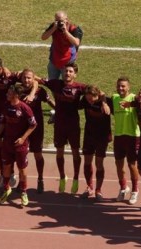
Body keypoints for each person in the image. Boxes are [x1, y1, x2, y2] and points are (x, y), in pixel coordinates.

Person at [39, 62, 108, 194]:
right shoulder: (55, 83)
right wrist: (22, 74)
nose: (67, 73)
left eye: (70, 71)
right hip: (59, 124)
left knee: (75, 153)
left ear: (75, 74)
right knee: (59, 152)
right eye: (65, 71)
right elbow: (38, 80)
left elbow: (100, 92)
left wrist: (104, 103)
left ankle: (76, 178)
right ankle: (62, 177)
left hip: (73, 125)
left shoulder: (80, 87)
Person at [0, 56, 36, 188]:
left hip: (10, 115)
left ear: (0, 68)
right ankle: (4, 173)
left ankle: (15, 176)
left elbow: (34, 80)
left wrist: (33, 93)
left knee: (12, 145)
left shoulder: (11, 76)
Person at [0, 85, 37, 206]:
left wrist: (23, 138)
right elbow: (2, 122)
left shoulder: (25, 108)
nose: (7, 94)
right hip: (7, 143)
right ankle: (6, 188)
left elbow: (33, 125)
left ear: (16, 95)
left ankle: (23, 191)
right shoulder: (6, 106)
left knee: (22, 169)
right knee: (6, 167)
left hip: (20, 145)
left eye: (9, 92)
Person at [18, 69, 55, 193]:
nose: (27, 80)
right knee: (21, 155)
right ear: (21, 78)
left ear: (34, 79)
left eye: (29, 78)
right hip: (22, 128)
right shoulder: (18, 91)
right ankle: (21, 181)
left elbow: (50, 102)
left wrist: (60, 110)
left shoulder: (40, 91)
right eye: (24, 78)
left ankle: (40, 179)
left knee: (38, 154)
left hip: (37, 128)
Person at [109, 77, 140, 204]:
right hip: (119, 135)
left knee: (132, 165)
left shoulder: (134, 98)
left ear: (129, 87)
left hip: (132, 136)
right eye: (119, 86)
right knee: (118, 164)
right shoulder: (114, 98)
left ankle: (135, 191)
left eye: (123, 86)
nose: (120, 88)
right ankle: (123, 187)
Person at [79, 85, 111, 201]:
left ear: (97, 95)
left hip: (102, 137)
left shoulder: (106, 101)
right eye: (87, 98)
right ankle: (89, 187)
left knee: (99, 163)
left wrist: (104, 102)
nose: (89, 101)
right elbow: (76, 104)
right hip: (89, 136)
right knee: (87, 162)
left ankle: (98, 190)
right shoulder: (85, 101)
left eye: (91, 98)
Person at [41, 10, 83, 80]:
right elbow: (43, 37)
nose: (59, 23)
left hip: (68, 61)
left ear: (67, 20)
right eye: (57, 20)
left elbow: (76, 43)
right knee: (53, 83)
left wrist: (65, 31)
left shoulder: (73, 29)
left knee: (66, 83)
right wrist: (53, 28)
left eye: (61, 21)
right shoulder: (54, 26)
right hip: (54, 60)